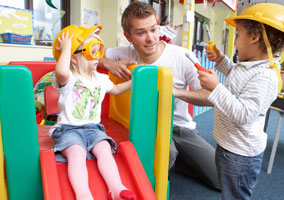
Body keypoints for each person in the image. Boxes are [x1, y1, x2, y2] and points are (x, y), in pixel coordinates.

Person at [99, 1, 220, 191]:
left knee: (220, 180)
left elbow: (211, 97)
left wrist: (175, 92)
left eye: (153, 29)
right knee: (164, 158)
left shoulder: (183, 56)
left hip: (180, 127)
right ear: (128, 36)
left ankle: (179, 160)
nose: (150, 38)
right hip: (148, 127)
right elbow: (83, 53)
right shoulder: (122, 53)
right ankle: (171, 160)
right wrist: (107, 63)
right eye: (140, 33)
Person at [197, 3, 284, 200]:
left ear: (254, 38)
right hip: (229, 146)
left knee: (235, 196)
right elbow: (236, 78)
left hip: (240, 155)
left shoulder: (266, 76)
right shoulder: (248, 66)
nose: (235, 42)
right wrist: (221, 61)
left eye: (237, 35)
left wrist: (216, 87)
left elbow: (243, 114)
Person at [50, 25, 136, 200]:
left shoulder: (101, 79)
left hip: (94, 128)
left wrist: (137, 79)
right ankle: (83, 194)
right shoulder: (69, 79)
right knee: (77, 153)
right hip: (69, 129)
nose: (99, 57)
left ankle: (116, 188)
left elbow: (117, 89)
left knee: (104, 149)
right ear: (74, 58)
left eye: (100, 51)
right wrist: (67, 47)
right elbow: (61, 70)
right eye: (92, 52)